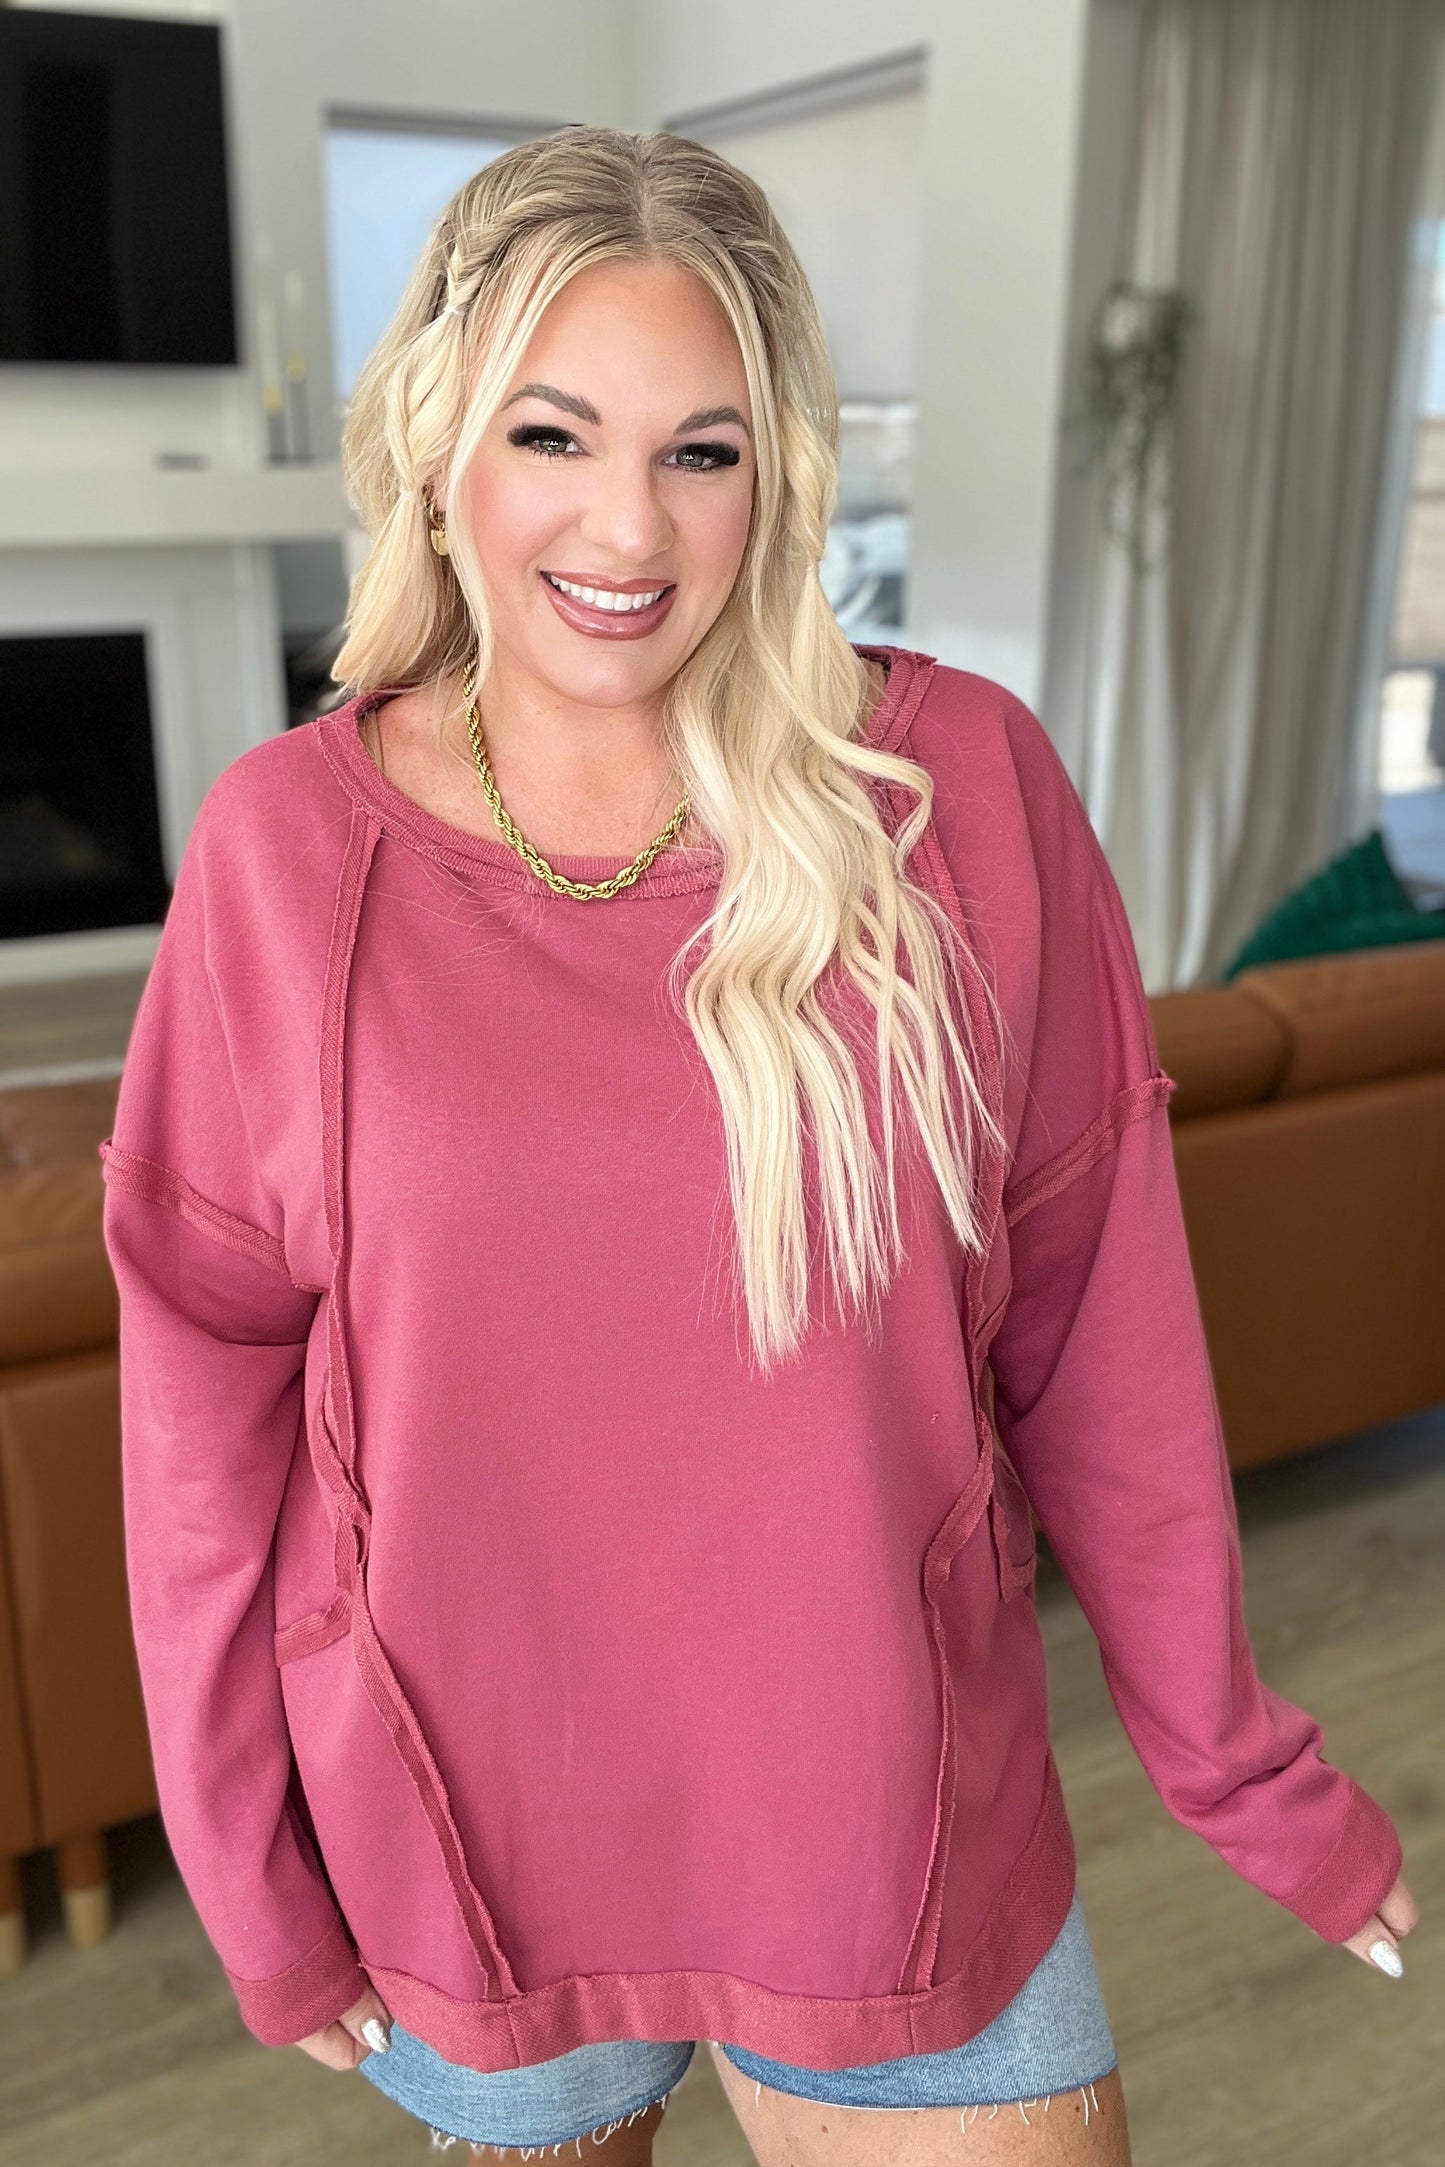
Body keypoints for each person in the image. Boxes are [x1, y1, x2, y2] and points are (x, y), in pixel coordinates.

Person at [100, 127, 1415, 2166]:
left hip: (891, 1827)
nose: (627, 524)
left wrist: (1241, 1767)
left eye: (699, 451)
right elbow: (201, 1409)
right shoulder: (285, 854)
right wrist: (247, 1867)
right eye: (554, 433)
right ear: (441, 448)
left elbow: (1100, 1331)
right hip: (464, 1836)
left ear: (775, 478)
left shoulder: (956, 792)